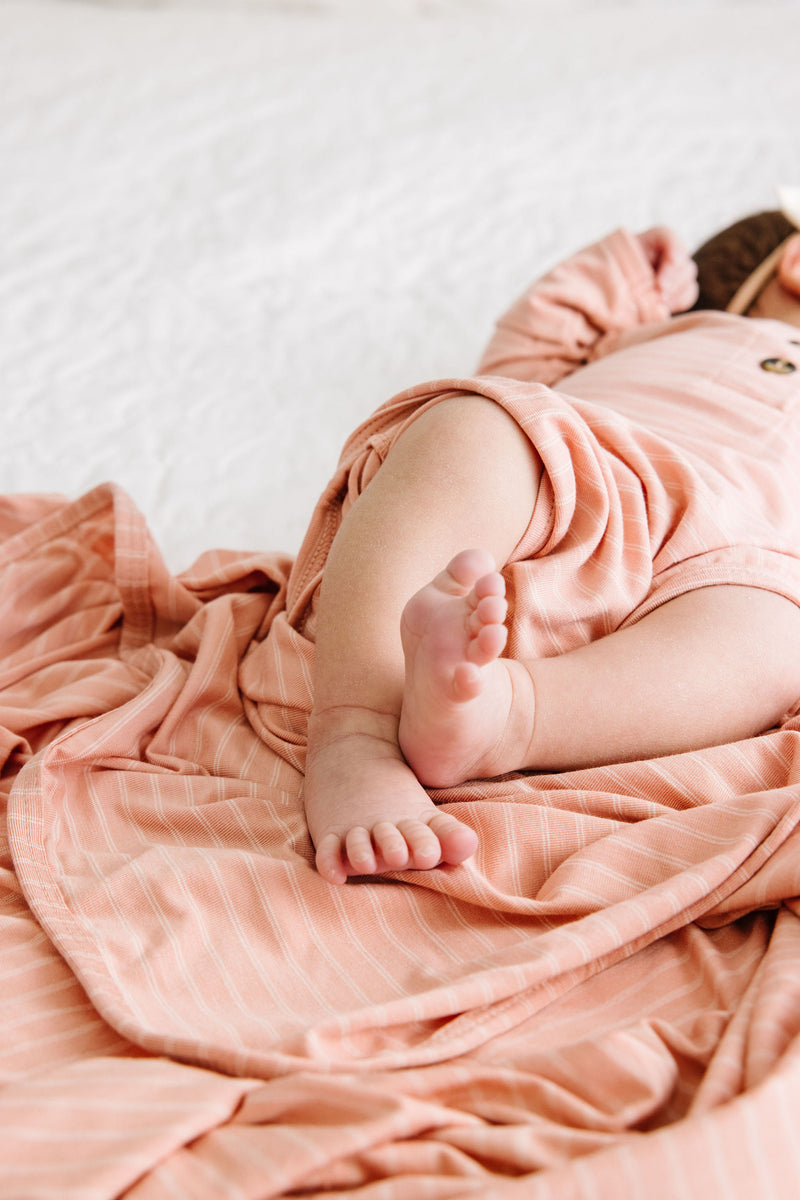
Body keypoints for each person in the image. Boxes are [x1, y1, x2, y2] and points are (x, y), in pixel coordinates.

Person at [301, 210, 800, 886]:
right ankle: (355, 727)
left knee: (778, 642)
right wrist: (618, 274)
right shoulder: (668, 336)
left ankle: (504, 715)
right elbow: (529, 357)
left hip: (736, 572)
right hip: (590, 478)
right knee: (475, 425)